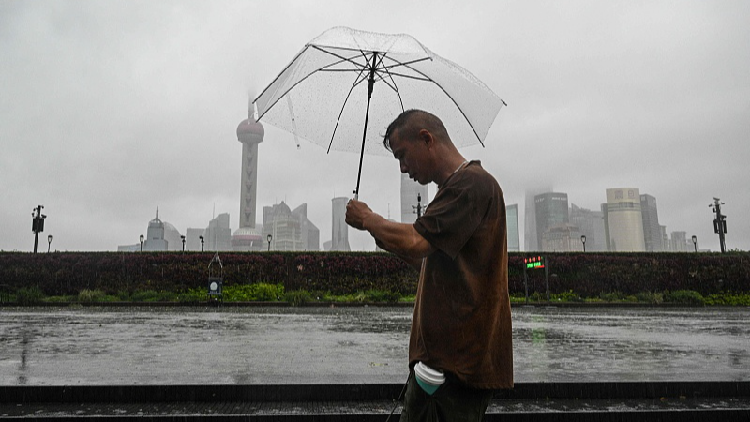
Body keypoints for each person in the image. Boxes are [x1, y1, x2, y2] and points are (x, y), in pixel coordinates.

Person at [345, 109, 513, 421]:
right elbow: (427, 259)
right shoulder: (452, 191)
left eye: (402, 155)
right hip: (439, 365)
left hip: (456, 369)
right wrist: (383, 236)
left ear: (426, 139)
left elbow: (416, 242)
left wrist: (369, 219)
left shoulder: (471, 185)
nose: (402, 167)